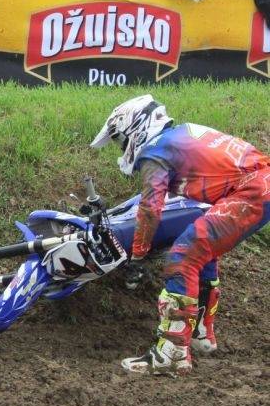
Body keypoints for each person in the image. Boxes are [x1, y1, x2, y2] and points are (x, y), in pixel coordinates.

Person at [90, 95, 269, 375]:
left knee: (183, 256)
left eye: (121, 140)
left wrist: (138, 254)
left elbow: (150, 208)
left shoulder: (156, 151)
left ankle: (171, 354)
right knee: (201, 250)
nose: (122, 147)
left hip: (251, 192)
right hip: (259, 184)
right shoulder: (182, 133)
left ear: (136, 128)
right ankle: (200, 335)